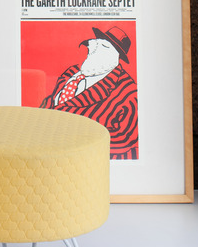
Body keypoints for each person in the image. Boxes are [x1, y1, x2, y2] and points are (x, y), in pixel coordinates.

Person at [39, 25, 138, 159]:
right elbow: (53, 103)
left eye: (104, 47)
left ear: (116, 56)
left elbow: (125, 140)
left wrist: (68, 138)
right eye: (96, 43)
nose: (94, 48)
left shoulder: (128, 92)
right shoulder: (72, 72)